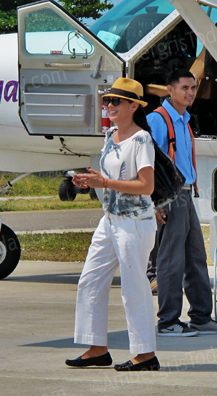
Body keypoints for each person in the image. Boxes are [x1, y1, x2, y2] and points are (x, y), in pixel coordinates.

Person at [65, 78, 160, 372]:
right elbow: (109, 180)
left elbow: (146, 186)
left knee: (134, 287)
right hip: (110, 220)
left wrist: (104, 182)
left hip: (134, 224)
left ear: (134, 105)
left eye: (116, 101)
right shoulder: (110, 135)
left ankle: (145, 355)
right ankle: (96, 348)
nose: (109, 106)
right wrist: (89, 181)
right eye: (107, 101)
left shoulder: (141, 139)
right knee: (90, 280)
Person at [147, 69, 217, 337]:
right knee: (171, 260)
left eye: (193, 88)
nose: (191, 92)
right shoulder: (158, 120)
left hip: (185, 195)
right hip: (170, 196)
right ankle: (168, 320)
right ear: (169, 90)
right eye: (185, 88)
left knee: (195, 257)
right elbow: (149, 164)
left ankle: (201, 317)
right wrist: (155, 202)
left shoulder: (183, 119)